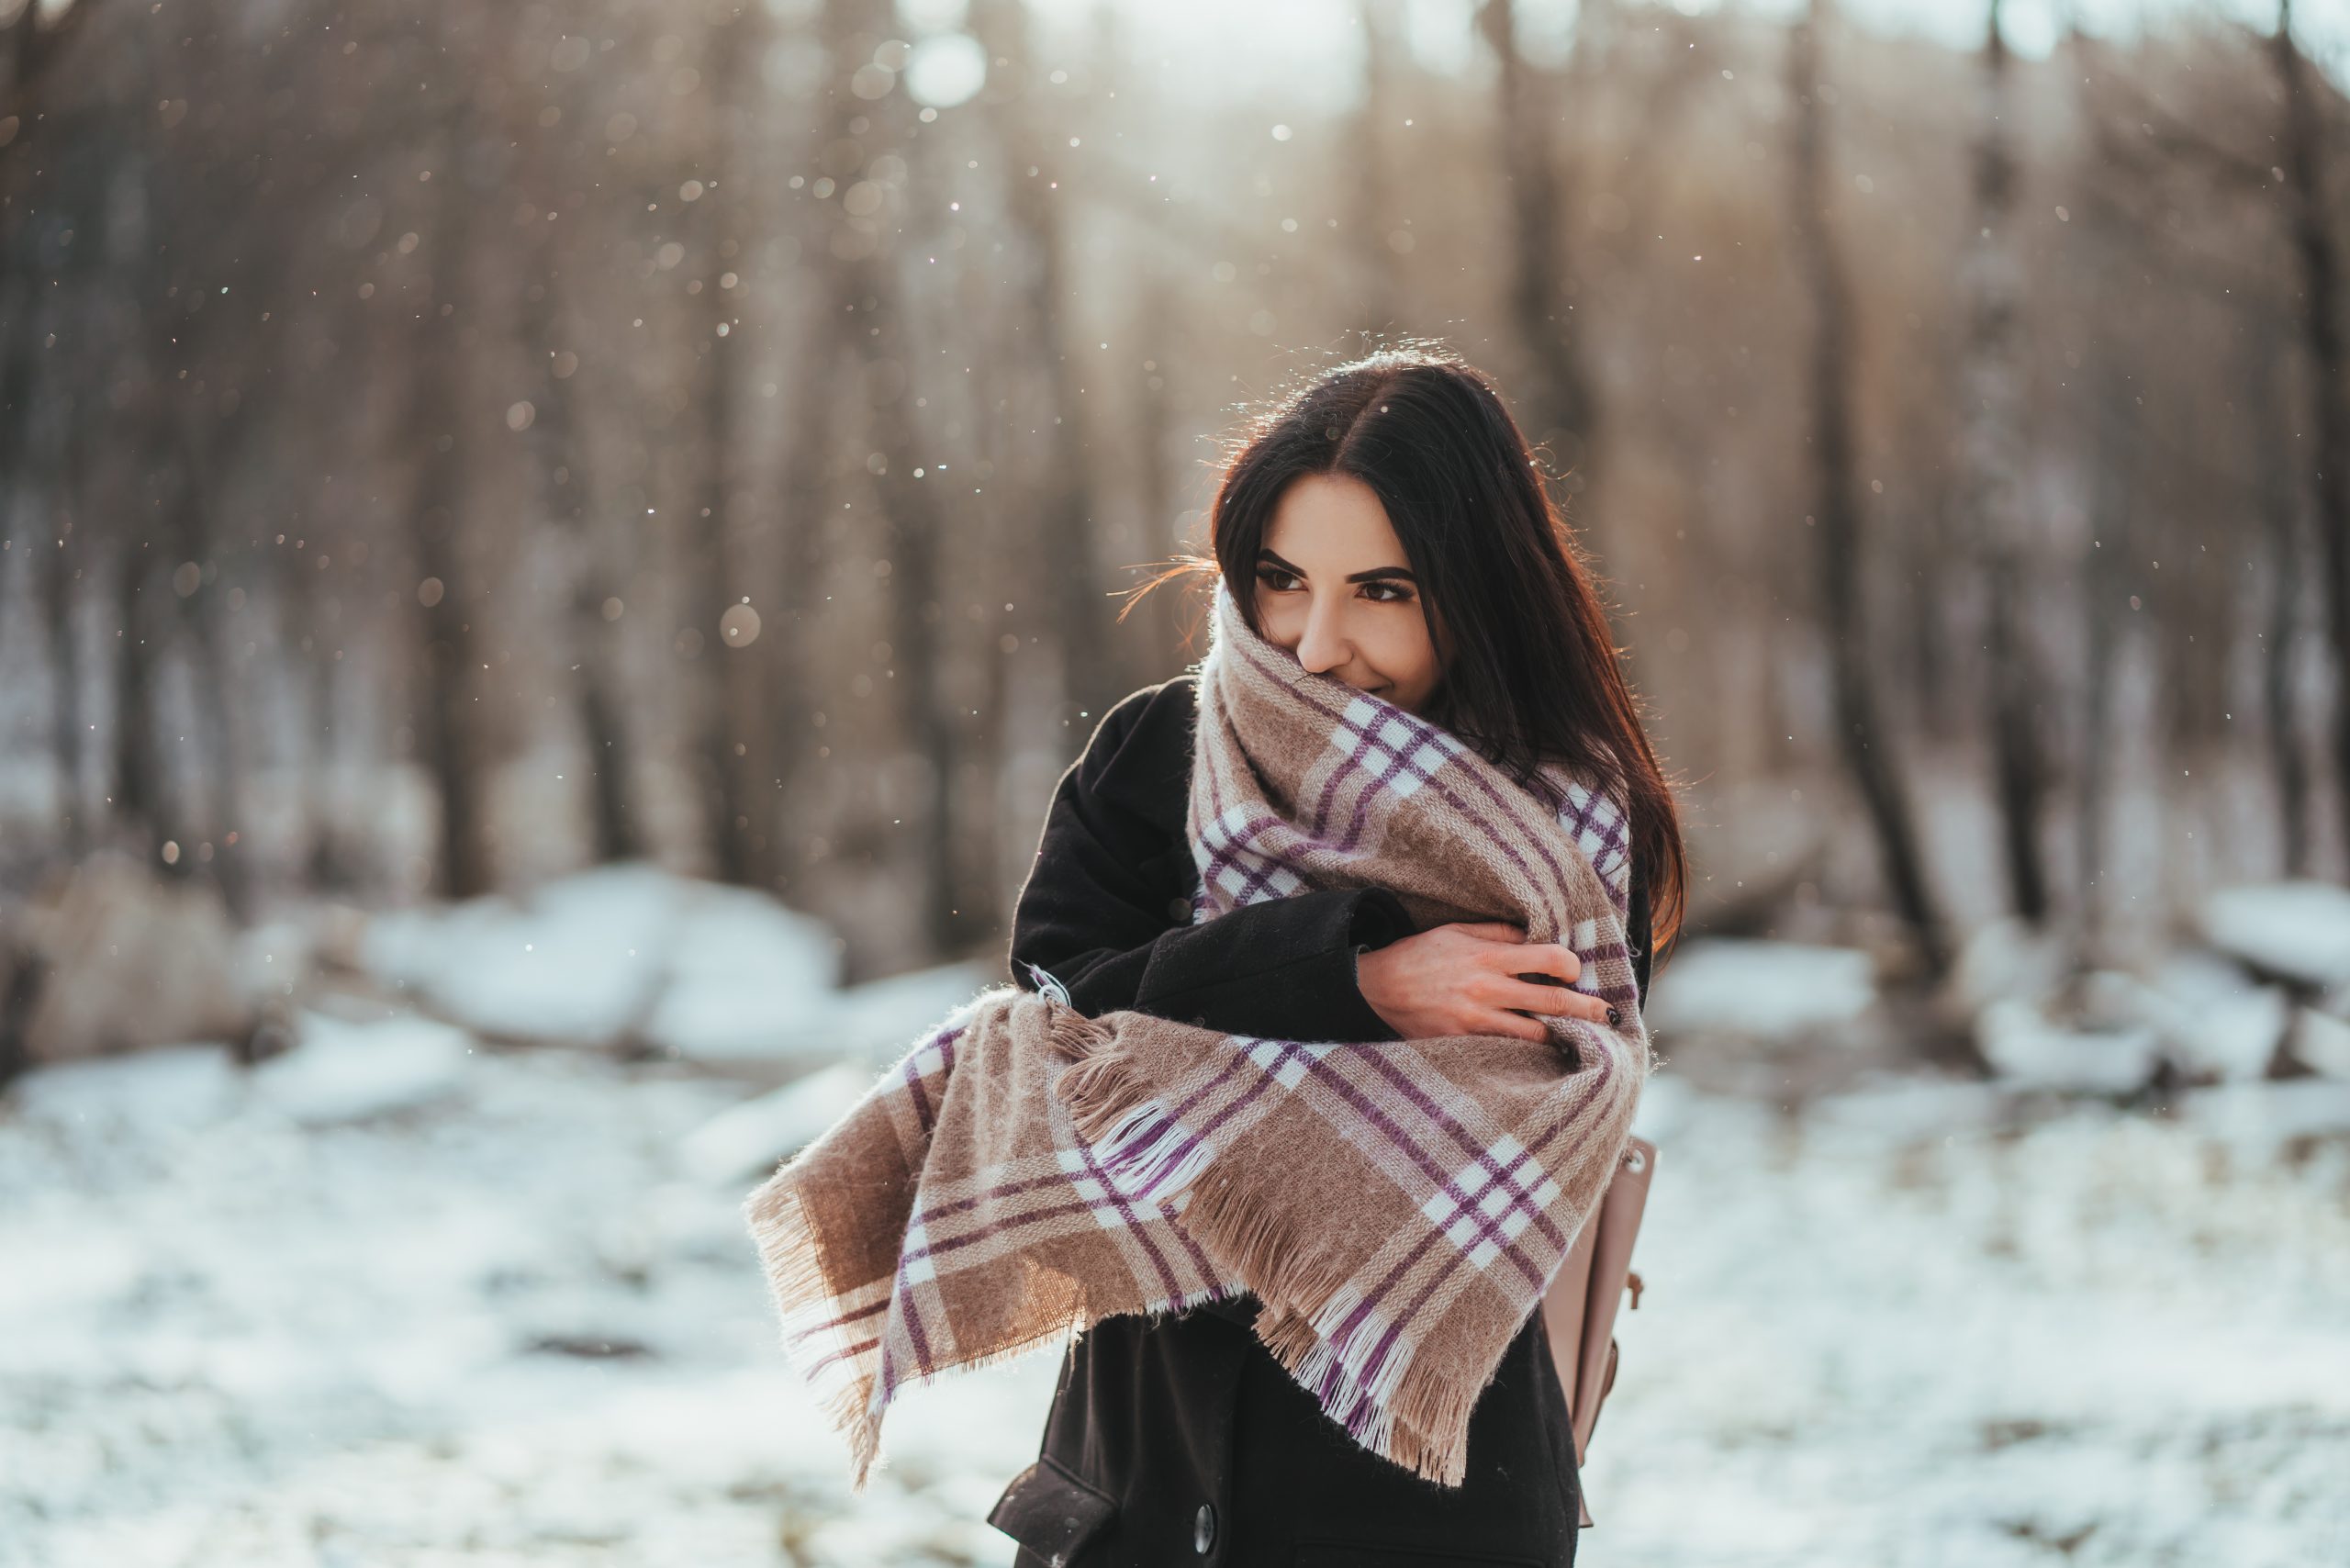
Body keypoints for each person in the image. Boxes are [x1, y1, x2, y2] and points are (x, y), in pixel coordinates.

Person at [988, 348, 1686, 1568]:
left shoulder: (1556, 819)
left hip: (1424, 1491)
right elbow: (1052, 1044)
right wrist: (1351, 980)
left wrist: (1205, 1026)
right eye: (1280, 581)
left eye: (1382, 591)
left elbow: (1508, 1110)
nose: (1315, 645)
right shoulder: (1165, 754)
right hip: (1148, 1472)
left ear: (1474, 590)